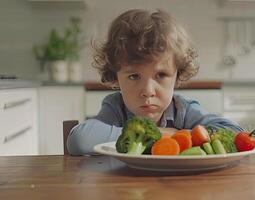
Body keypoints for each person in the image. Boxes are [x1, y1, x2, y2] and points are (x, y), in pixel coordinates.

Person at [67, 9, 243, 155]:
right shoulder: (116, 108)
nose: (148, 91)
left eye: (161, 75)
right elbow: (80, 140)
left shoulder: (183, 109)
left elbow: (236, 133)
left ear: (177, 74)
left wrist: (183, 136)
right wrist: (163, 134)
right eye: (134, 76)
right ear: (115, 76)